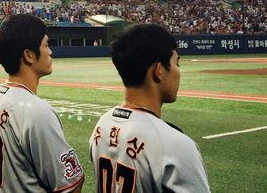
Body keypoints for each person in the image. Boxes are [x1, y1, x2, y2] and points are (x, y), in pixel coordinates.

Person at [89, 23, 211, 192]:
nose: (178, 72)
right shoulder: (175, 144)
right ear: (158, 71)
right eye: (177, 64)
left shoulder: (101, 125)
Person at [0, 14, 84, 192]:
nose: (50, 51)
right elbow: (70, 185)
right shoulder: (37, 112)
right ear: (28, 55)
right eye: (46, 45)